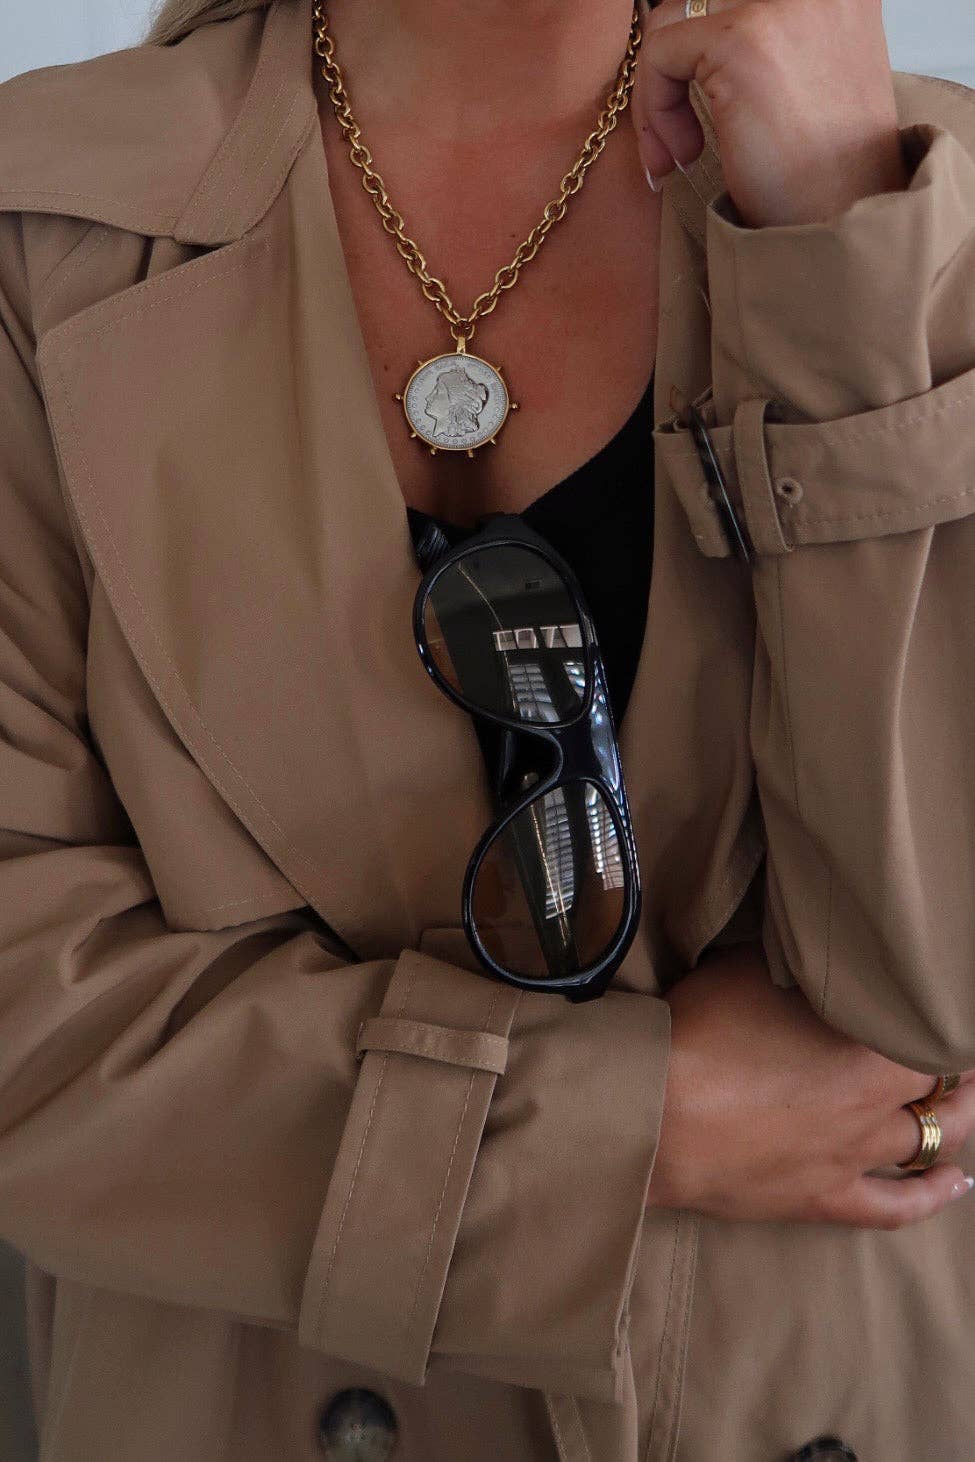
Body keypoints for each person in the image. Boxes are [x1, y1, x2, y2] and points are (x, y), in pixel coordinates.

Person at [0, 0, 974, 1457]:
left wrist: (843, 249)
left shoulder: (921, 203)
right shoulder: (41, 231)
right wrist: (636, 1127)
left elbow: (940, 997)